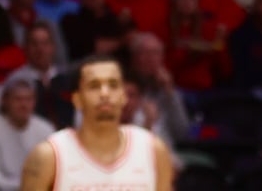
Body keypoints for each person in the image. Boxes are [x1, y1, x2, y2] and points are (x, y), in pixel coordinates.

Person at [18, 55, 174, 191]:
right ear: (77, 99)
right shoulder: (48, 155)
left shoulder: (153, 150)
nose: (105, 94)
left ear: (123, 96)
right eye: (94, 86)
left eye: (113, 85)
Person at [0, 79, 53, 191]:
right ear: (5, 101)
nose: (24, 104)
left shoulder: (45, 128)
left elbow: (52, 173)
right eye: (18, 99)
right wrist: (28, 186)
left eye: (28, 99)